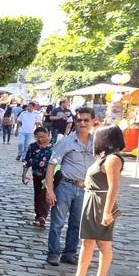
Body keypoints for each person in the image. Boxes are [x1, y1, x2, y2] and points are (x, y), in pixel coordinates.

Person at [64, 125, 125, 276]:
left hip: (101, 202)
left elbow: (114, 187)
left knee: (103, 243)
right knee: (87, 241)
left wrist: (107, 211)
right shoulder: (104, 157)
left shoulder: (113, 159)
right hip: (91, 200)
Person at [45, 106, 97, 266]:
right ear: (75, 121)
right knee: (57, 223)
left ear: (93, 122)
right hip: (65, 186)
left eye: (86, 120)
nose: (82, 123)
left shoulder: (97, 142)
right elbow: (51, 166)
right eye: (79, 120)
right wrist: (49, 190)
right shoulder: (66, 142)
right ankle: (53, 253)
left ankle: (69, 253)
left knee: (76, 224)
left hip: (85, 188)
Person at [21, 127, 53, 227]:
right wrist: (24, 174)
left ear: (48, 135)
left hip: (49, 176)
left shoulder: (54, 146)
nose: (40, 139)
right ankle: (38, 214)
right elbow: (27, 161)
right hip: (37, 174)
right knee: (38, 195)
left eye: (42, 137)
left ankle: (43, 215)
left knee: (46, 194)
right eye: (37, 137)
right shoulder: (32, 147)